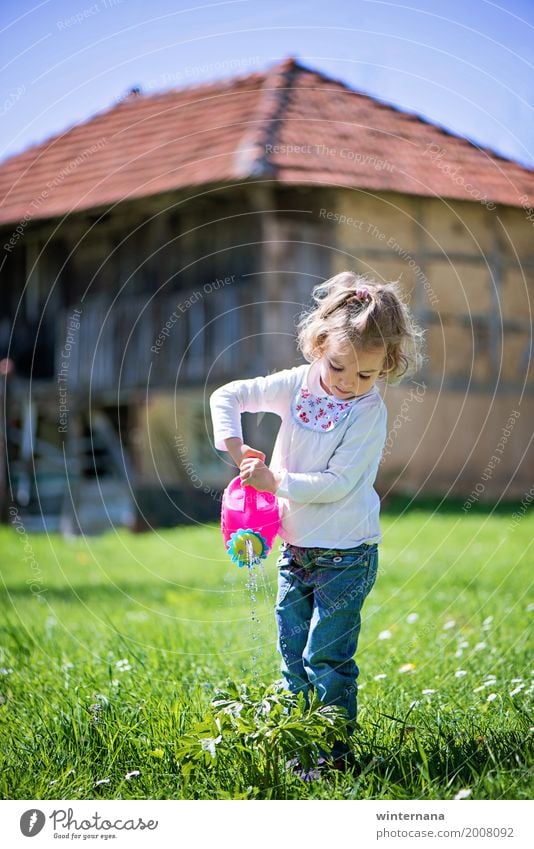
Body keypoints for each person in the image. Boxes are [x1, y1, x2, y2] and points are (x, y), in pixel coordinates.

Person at [209, 270, 425, 775]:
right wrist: (238, 450)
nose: (350, 384)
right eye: (339, 368)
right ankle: (302, 744)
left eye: (367, 375)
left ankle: (333, 755)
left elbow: (338, 484)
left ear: (387, 367)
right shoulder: (297, 385)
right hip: (296, 551)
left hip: (346, 556)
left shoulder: (367, 414)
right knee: (291, 653)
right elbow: (228, 396)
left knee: (325, 658)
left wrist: (274, 480)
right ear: (318, 345)